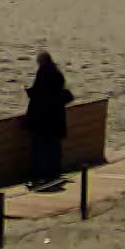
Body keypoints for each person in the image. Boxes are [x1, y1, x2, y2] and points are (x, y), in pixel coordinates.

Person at [25, 51, 73, 189]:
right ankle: (54, 172)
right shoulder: (58, 74)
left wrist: (30, 92)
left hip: (42, 119)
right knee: (54, 147)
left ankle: (41, 173)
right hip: (56, 119)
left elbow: (40, 94)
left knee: (40, 148)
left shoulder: (43, 73)